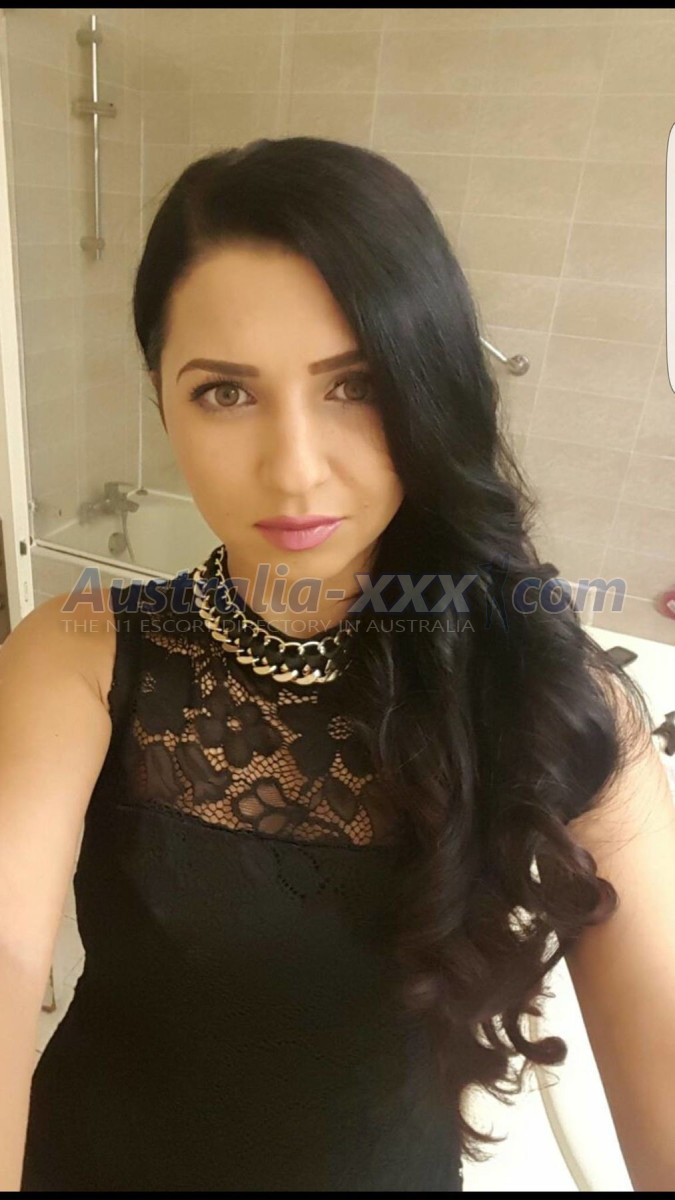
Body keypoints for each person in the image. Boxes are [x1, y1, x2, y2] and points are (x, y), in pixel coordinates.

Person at [2, 136, 673, 1192]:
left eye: (355, 384)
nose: (295, 469)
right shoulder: (78, 655)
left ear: (428, 388)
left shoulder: (550, 694)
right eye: (226, 393)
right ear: (162, 397)